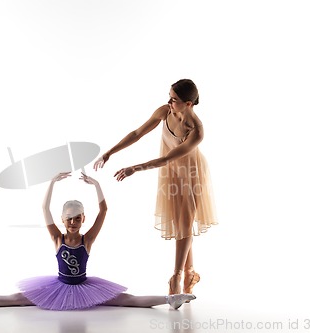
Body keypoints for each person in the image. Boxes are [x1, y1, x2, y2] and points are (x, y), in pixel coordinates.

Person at [0, 172, 194, 310]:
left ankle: (171, 300)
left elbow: (104, 211)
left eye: (77, 218)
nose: (73, 222)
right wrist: (51, 182)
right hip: (57, 286)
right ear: (63, 220)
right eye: (69, 219)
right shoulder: (57, 237)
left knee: (127, 301)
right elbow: (43, 208)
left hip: (86, 285)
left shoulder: (88, 238)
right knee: (16, 299)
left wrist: (96, 184)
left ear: (83, 218)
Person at [93, 79, 218, 295]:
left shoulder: (196, 130)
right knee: (181, 223)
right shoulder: (164, 112)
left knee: (185, 222)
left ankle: (176, 277)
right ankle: (189, 272)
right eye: (169, 96)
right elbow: (137, 133)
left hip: (190, 173)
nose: (169, 102)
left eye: (175, 99)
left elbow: (168, 157)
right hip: (171, 172)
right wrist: (109, 152)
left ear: (189, 104)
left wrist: (136, 168)